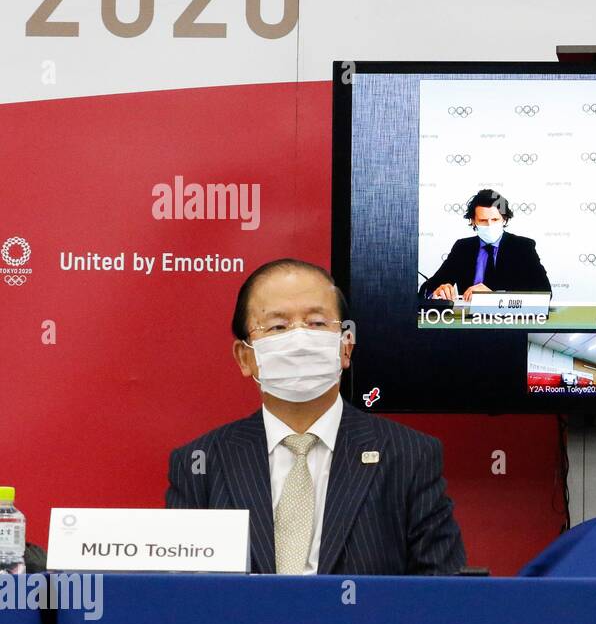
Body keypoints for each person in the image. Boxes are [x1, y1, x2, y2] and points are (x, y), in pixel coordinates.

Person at [167, 258, 467, 575]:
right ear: (246, 357)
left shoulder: (409, 456)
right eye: (278, 326)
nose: (299, 339)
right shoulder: (201, 462)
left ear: (346, 346)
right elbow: (181, 596)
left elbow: (441, 593)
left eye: (317, 323)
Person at [419, 189, 551, 301]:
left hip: (511, 324)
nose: (489, 225)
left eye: (495, 219)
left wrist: (495, 297)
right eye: (482, 220)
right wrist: (437, 291)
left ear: (504, 219)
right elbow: (426, 290)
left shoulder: (523, 247)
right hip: (468, 324)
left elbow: (545, 292)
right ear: (473, 221)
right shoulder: (462, 248)